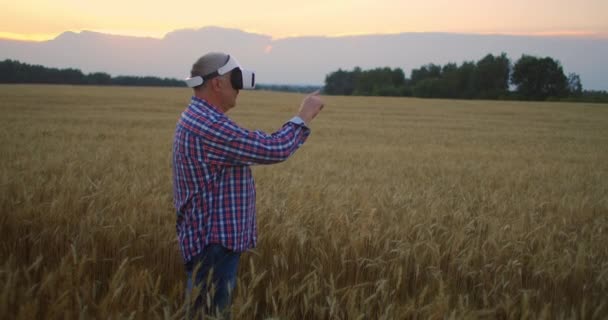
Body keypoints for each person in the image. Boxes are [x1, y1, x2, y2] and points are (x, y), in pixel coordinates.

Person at [172, 52, 324, 318]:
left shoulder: (197, 116)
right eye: (236, 80)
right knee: (211, 314)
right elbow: (273, 148)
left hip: (207, 241)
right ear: (218, 83)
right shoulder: (209, 126)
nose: (239, 89)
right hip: (212, 244)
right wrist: (304, 116)